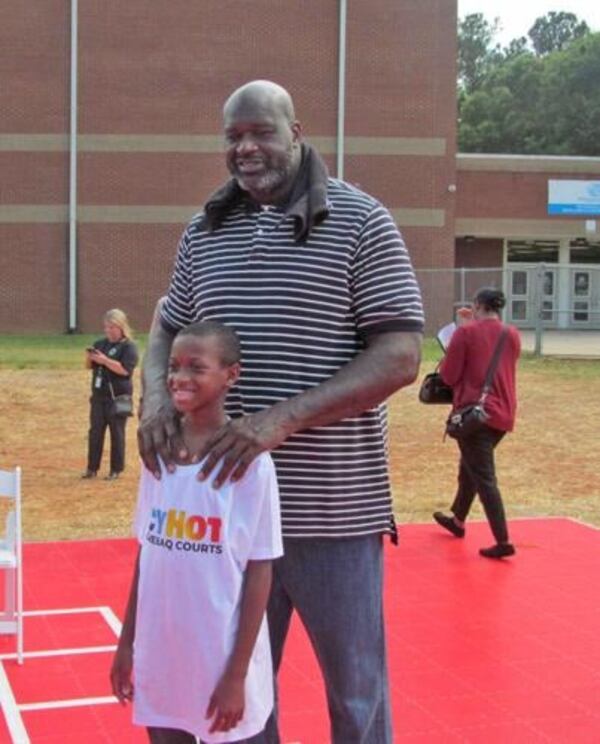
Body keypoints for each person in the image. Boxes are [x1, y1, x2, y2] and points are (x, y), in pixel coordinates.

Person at [138, 80, 424, 743]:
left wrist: (283, 420)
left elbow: (401, 354)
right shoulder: (203, 230)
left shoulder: (361, 220)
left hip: (331, 513)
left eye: (261, 131)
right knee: (235, 700)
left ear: (296, 132)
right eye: (233, 136)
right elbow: (164, 325)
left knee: (356, 697)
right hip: (226, 515)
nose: (246, 148)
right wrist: (154, 399)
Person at [111, 320, 283, 743]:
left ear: (231, 375)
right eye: (174, 366)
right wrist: (127, 644)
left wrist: (237, 675)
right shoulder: (159, 452)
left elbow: (260, 570)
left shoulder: (249, 463)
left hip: (220, 659)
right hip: (163, 655)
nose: (180, 378)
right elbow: (146, 557)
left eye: (196, 367)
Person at [433, 287, 520, 559]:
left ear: (478, 305)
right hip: (502, 413)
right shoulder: (512, 334)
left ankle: (503, 540)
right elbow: (492, 354)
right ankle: (457, 519)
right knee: (470, 466)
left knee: (484, 477)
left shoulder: (465, 333)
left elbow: (448, 375)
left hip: (475, 414)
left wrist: (462, 331)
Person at [82, 308, 139, 480]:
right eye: (106, 327)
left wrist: (105, 361)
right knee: (95, 432)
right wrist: (90, 357)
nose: (108, 331)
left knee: (117, 433)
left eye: (112, 327)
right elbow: (89, 366)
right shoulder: (100, 344)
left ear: (121, 327)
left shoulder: (129, 347)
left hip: (118, 397)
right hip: (99, 396)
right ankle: (92, 468)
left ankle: (116, 469)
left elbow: (124, 370)